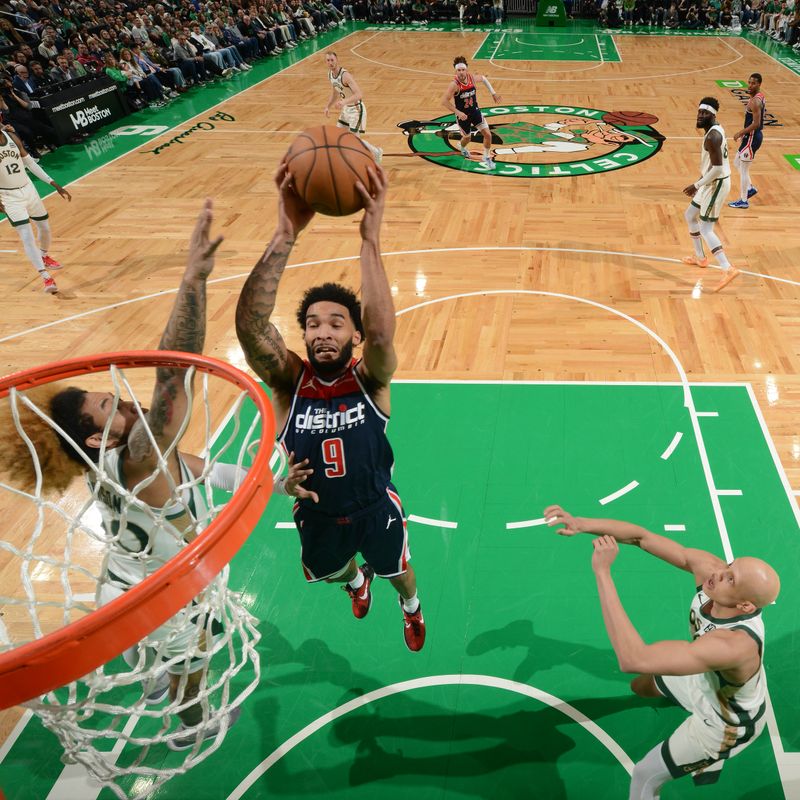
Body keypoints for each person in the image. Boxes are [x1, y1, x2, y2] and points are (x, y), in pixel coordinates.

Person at [17, 201, 293, 749]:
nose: (122, 401)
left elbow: (203, 469)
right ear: (98, 438)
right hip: (160, 589)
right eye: (107, 406)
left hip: (122, 581)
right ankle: (191, 725)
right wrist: (192, 279)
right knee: (195, 656)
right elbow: (173, 374)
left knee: (164, 645)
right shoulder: (137, 457)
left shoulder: (112, 464)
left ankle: (153, 672)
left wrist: (278, 484)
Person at [235, 161, 426, 652]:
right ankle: (355, 583)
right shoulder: (288, 382)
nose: (323, 332)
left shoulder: (370, 380)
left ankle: (410, 608)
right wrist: (284, 234)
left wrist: (370, 240)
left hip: (375, 506)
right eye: (314, 324)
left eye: (337, 323)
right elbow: (252, 330)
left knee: (399, 572)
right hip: (316, 516)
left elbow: (384, 333)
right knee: (335, 571)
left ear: (355, 335)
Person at [544, 505, 780, 800]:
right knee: (642, 685)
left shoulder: (733, 645)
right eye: (729, 566)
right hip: (705, 678)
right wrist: (582, 523)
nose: (720, 573)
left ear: (745, 605)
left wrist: (603, 572)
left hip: (725, 723)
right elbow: (642, 537)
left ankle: (713, 756)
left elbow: (632, 658)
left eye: (731, 579)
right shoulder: (713, 573)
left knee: (644, 776)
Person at [0, 123, 70, 294]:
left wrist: (53, 183)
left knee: (44, 227)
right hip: (9, 196)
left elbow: (30, 164)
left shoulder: (12, 137)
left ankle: (43, 255)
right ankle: (45, 277)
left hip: (28, 189)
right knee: (26, 235)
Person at [681, 97, 738, 292]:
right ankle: (701, 258)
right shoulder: (714, 131)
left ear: (713, 115)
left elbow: (717, 169)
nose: (700, 116)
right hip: (709, 182)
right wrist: (701, 182)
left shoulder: (713, 137)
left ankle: (727, 268)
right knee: (689, 215)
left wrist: (696, 184)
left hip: (716, 184)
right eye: (699, 112)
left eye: (705, 113)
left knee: (706, 228)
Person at [441, 56, 502, 170]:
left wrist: (493, 93)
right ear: (456, 71)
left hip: (475, 111)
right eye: (458, 70)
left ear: (466, 69)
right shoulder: (454, 85)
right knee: (467, 138)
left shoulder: (471, 78)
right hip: (463, 116)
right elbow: (444, 101)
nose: (461, 72)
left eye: (463, 69)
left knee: (488, 135)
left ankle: (487, 157)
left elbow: (484, 78)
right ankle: (462, 147)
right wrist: (458, 112)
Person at [323, 51, 383, 163]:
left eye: (332, 60)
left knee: (355, 140)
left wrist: (344, 101)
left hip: (356, 109)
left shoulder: (345, 75)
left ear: (337, 60)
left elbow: (359, 94)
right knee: (338, 136)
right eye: (328, 60)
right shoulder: (330, 75)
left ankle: (376, 152)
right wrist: (328, 106)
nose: (330, 63)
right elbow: (335, 93)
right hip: (346, 110)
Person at [729, 72, 765, 209]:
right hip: (750, 137)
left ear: (759, 84)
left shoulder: (755, 101)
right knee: (736, 162)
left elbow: (756, 124)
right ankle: (750, 188)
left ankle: (744, 200)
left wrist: (740, 132)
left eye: (753, 83)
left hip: (752, 137)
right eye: (749, 82)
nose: (750, 85)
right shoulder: (758, 97)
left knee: (744, 169)